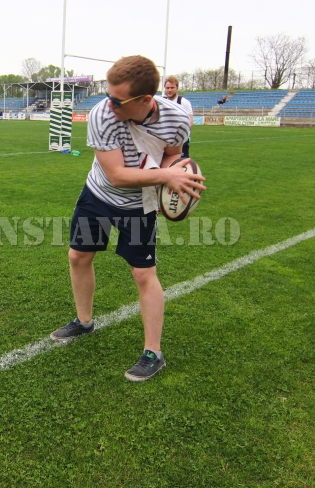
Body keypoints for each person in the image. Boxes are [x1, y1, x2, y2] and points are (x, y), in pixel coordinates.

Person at [49, 55, 205, 382]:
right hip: (100, 194)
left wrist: (170, 185)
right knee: (78, 256)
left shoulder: (177, 119)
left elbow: (175, 154)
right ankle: (84, 321)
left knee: (143, 273)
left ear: (146, 100)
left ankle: (154, 353)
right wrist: (166, 176)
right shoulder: (101, 115)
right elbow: (117, 175)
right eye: (108, 95)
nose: (110, 104)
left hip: (140, 205)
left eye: (118, 100)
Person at [163, 75, 193, 158]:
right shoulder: (162, 102)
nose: (169, 90)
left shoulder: (184, 102)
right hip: (165, 140)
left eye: (172, 88)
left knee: (182, 164)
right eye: (167, 88)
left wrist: (180, 134)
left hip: (181, 141)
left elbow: (190, 121)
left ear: (177, 88)